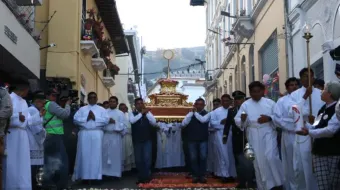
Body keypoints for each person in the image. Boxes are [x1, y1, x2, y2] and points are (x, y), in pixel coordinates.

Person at [235, 81, 284, 190]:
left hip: (268, 132)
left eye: (258, 91)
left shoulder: (270, 103)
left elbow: (280, 118)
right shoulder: (245, 104)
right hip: (253, 133)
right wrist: (243, 120)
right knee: (258, 161)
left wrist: (269, 118)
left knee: (270, 156)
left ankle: (278, 182)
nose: (256, 94)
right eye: (253, 92)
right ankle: (263, 186)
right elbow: (239, 120)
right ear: (250, 92)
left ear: (262, 91)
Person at [297, 81, 340, 190]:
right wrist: (302, 122)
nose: (321, 91)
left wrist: (309, 133)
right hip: (319, 152)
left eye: (324, 89)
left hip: (333, 152)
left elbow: (331, 130)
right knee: (323, 185)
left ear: (330, 93)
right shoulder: (323, 108)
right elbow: (316, 126)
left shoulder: (337, 109)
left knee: (334, 185)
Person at [290, 68, 323, 190]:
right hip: (302, 134)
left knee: (316, 166)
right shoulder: (295, 95)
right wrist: (305, 96)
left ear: (313, 78)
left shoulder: (321, 93)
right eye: (304, 76)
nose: (308, 79)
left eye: (310, 76)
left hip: (317, 132)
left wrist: (316, 121)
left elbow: (324, 112)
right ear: (301, 79)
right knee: (302, 166)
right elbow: (292, 111)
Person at [3, 81, 40, 189]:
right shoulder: (9, 98)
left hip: (23, 135)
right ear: (22, 89)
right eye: (27, 90)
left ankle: (23, 186)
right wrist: (16, 118)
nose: (27, 93)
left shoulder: (24, 102)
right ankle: (11, 186)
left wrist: (39, 116)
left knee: (23, 162)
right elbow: (5, 115)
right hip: (12, 134)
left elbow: (28, 119)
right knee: (12, 161)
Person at [73, 92, 109, 183]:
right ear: (88, 99)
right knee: (84, 154)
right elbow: (75, 119)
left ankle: (96, 177)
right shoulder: (82, 109)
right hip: (85, 133)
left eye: (94, 97)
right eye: (90, 97)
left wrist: (95, 118)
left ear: (97, 99)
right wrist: (86, 118)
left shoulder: (102, 109)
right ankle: (84, 177)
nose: (92, 99)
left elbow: (106, 120)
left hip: (97, 133)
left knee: (97, 155)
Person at [223, 91, 255, 188]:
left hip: (248, 137)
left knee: (250, 159)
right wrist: (225, 135)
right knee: (238, 160)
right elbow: (228, 124)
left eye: (240, 99)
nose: (238, 101)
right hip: (236, 138)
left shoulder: (250, 109)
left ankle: (251, 180)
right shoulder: (231, 111)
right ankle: (241, 181)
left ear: (243, 100)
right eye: (236, 99)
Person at [273, 77, 299, 190]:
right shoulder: (282, 101)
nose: (294, 87)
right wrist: (292, 126)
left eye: (295, 84)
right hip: (289, 134)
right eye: (291, 85)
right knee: (290, 161)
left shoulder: (304, 98)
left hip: (305, 134)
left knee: (302, 162)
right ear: (287, 88)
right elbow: (277, 118)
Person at [43, 88, 71, 189]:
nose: (55, 98)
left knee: (50, 161)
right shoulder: (51, 104)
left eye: (56, 96)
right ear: (48, 95)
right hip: (54, 136)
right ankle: (61, 185)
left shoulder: (44, 104)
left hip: (47, 135)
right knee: (62, 161)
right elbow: (65, 114)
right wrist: (67, 104)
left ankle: (48, 183)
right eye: (54, 95)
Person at [181, 98, 210, 183]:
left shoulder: (207, 114)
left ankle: (202, 175)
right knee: (193, 158)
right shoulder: (190, 114)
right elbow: (183, 124)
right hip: (192, 139)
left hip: (203, 139)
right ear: (195, 105)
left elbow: (204, 121)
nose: (199, 106)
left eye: (201, 104)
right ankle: (195, 175)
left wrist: (195, 113)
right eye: (198, 104)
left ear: (204, 105)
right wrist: (191, 113)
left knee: (203, 157)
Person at [129, 98, 157, 184]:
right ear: (135, 105)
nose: (140, 105)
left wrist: (147, 113)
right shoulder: (132, 114)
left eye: (141, 103)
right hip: (137, 140)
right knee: (138, 160)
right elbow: (132, 121)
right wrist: (141, 113)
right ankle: (141, 176)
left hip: (147, 139)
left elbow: (154, 122)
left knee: (147, 159)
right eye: (138, 103)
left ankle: (147, 176)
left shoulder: (148, 114)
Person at [210, 94, 237, 183]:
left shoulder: (233, 110)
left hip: (232, 135)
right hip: (220, 135)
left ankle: (232, 174)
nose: (225, 102)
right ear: (221, 102)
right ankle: (224, 175)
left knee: (231, 155)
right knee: (223, 155)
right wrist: (221, 122)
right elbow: (213, 123)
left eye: (227, 101)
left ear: (230, 101)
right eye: (223, 101)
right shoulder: (215, 112)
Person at [102, 96, 127, 178]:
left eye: (114, 101)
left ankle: (115, 174)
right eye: (110, 101)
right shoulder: (104, 112)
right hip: (106, 136)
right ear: (108, 102)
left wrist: (114, 122)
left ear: (117, 103)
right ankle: (105, 173)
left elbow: (124, 126)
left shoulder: (121, 113)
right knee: (105, 155)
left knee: (115, 155)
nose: (112, 103)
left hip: (116, 137)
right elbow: (100, 124)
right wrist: (106, 122)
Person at [27, 91, 47, 189]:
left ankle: (36, 184)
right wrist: (44, 132)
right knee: (35, 168)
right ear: (38, 101)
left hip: (34, 141)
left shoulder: (34, 110)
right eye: (43, 103)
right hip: (33, 141)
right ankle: (35, 185)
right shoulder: (32, 110)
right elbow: (36, 127)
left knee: (36, 167)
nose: (44, 105)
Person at [119, 103, 135, 172]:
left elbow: (131, 124)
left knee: (129, 151)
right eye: (121, 109)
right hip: (120, 136)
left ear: (126, 109)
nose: (123, 110)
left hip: (128, 136)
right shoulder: (118, 115)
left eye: (124, 108)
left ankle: (129, 169)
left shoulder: (129, 115)